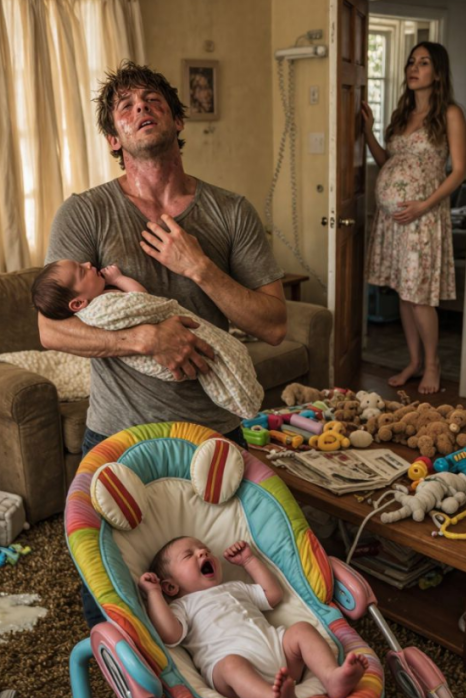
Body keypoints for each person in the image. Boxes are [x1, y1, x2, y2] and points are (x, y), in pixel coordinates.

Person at [39, 61, 286, 627]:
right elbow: (51, 328)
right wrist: (145, 338)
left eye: (151, 100)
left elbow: (273, 323)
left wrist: (200, 269)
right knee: (109, 593)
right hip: (118, 433)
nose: (139, 109)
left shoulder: (230, 211)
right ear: (113, 138)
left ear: (178, 120)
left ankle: (228, 673)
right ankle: (133, 689)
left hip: (214, 430)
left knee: (225, 575)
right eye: (124, 107)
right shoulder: (85, 212)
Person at [139, 537, 368, 698]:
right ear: (171, 586)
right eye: (189, 555)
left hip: (279, 654)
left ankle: (331, 677)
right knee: (231, 665)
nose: (203, 553)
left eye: (204, 549)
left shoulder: (236, 587)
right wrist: (153, 594)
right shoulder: (182, 605)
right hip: (232, 669)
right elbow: (169, 634)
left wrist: (249, 561)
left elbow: (273, 595)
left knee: (301, 629)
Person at [362, 42, 466, 395]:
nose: (414, 68)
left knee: (419, 295)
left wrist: (423, 205)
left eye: (423, 63)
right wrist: (369, 132)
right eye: (411, 62)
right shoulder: (402, 114)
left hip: (423, 219)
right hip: (393, 223)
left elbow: (458, 172)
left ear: (437, 72)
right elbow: (387, 160)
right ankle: (413, 361)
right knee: (404, 294)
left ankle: (432, 364)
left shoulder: (450, 114)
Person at [31, 259, 264, 417]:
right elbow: (141, 299)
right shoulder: (100, 308)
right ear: (78, 304)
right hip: (130, 409)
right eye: (81, 271)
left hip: (207, 418)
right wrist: (119, 279)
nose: (88, 263)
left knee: (223, 351)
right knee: (217, 357)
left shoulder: (98, 298)